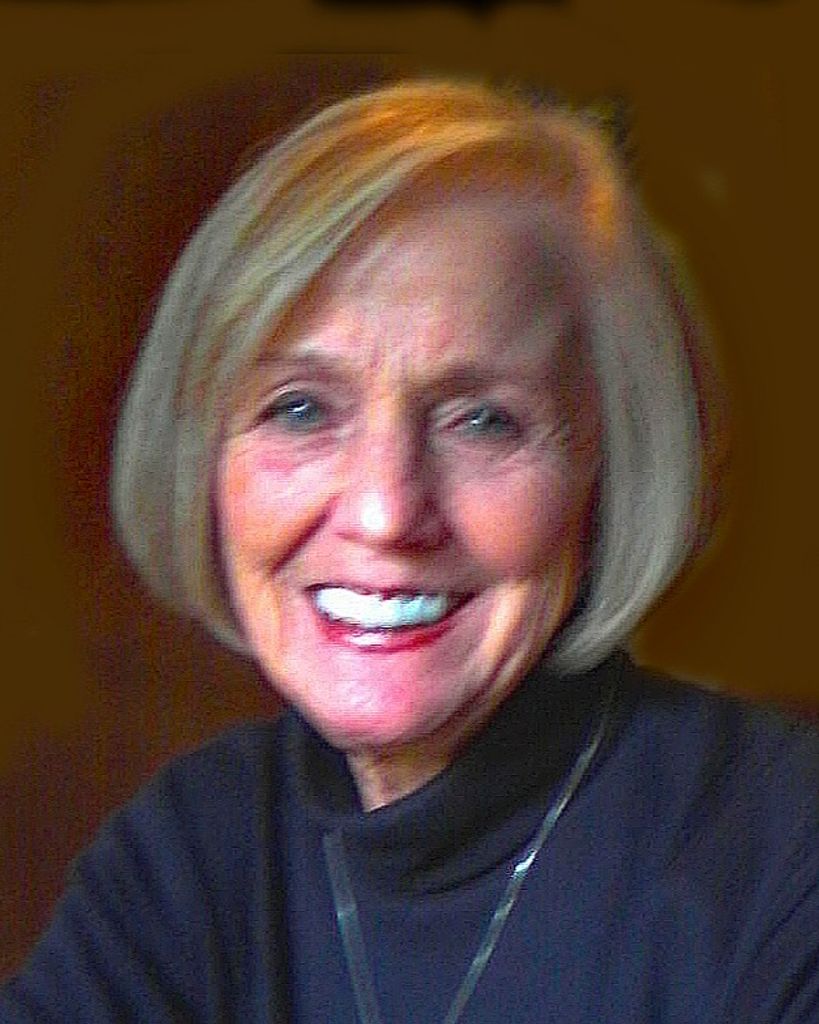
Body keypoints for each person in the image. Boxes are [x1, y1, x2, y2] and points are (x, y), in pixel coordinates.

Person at [2, 78, 817, 1024]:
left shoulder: (784, 858)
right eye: (300, 409)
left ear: (607, 468)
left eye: (483, 421)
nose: (386, 512)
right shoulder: (187, 857)